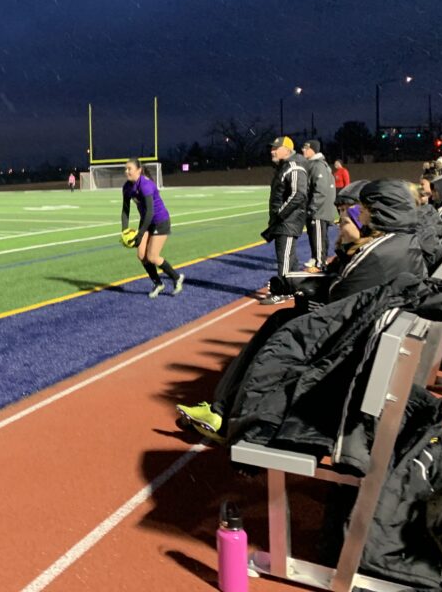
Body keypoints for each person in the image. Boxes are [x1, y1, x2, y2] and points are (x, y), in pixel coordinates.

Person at [177, 178, 427, 442]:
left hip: (348, 354)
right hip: (369, 342)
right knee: (281, 320)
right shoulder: (400, 245)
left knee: (281, 327)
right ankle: (222, 408)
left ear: (381, 211)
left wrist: (304, 289)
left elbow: (339, 303)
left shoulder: (377, 253)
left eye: (357, 211)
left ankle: (227, 413)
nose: (354, 216)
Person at [121, 158, 183, 298]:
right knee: (141, 255)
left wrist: (140, 234)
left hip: (160, 221)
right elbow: (125, 210)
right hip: (146, 222)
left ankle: (176, 277)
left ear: (139, 170)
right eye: (125, 169)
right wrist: (124, 231)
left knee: (152, 256)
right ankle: (158, 283)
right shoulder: (126, 187)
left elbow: (150, 211)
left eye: (129, 168)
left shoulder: (145, 185)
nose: (126, 171)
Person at [259, 136, 307, 304]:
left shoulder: (293, 167)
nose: (272, 150)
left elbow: (298, 194)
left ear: (286, 149)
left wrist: (280, 214)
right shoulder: (284, 167)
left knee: (284, 258)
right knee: (290, 258)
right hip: (284, 221)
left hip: (288, 222)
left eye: (276, 148)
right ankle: (294, 288)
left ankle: (283, 291)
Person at [301, 140, 337, 269]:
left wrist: (312, 208)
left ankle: (319, 263)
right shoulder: (317, 164)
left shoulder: (317, 165)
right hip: (320, 210)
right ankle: (317, 258)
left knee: (318, 236)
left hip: (319, 211)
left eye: (305, 148)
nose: (303, 150)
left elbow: (320, 189)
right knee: (318, 236)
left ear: (313, 150)